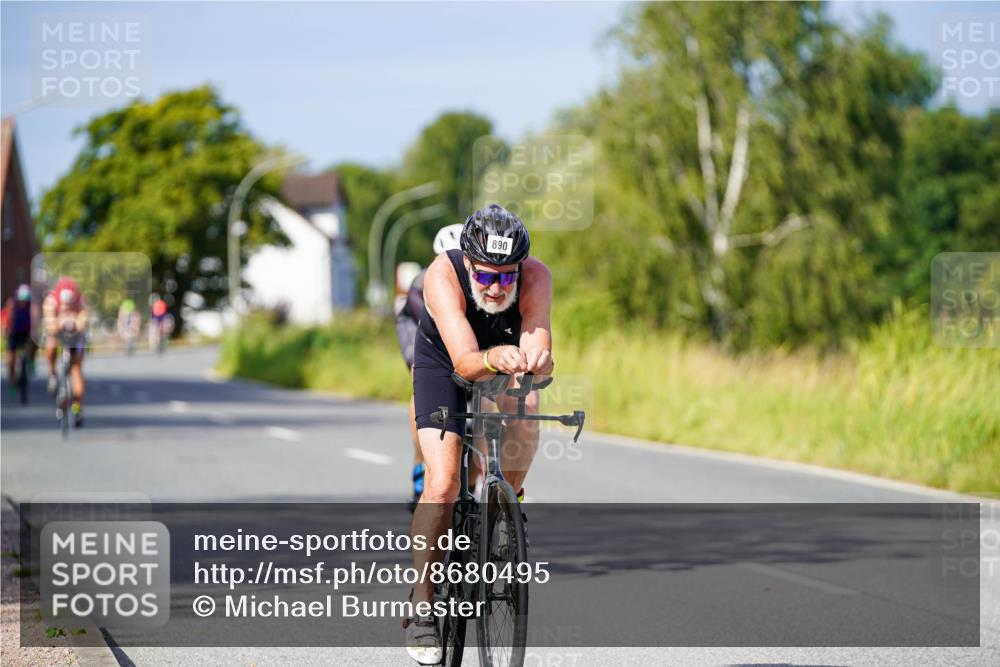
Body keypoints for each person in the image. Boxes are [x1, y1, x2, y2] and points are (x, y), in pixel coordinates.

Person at [405, 204, 553, 664]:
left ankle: (506, 503)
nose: (494, 287)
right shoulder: (441, 275)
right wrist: (497, 359)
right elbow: (467, 361)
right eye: (486, 276)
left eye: (506, 277)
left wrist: (538, 358)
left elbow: (538, 342)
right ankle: (424, 603)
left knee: (526, 404)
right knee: (445, 481)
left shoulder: (537, 277)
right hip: (446, 361)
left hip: (501, 354)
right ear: (468, 263)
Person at [395, 223, 464, 510]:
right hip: (420, 328)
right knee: (421, 376)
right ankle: (421, 460)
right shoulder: (424, 283)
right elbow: (439, 333)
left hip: (456, 329)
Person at [43, 277, 89, 427]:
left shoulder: (81, 300)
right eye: (65, 303)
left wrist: (77, 322)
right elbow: (49, 322)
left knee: (76, 370)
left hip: (75, 336)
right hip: (58, 332)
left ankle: (77, 408)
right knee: (50, 343)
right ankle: (53, 374)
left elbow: (84, 320)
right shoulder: (51, 300)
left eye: (70, 303)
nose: (67, 306)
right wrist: (58, 322)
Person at [4, 284, 36, 397]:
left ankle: (31, 361)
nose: (23, 303)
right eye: (21, 300)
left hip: (25, 333)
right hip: (13, 334)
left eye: (26, 300)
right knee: (11, 361)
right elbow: (6, 321)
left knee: (33, 343)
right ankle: (12, 385)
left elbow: (35, 321)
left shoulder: (31, 307)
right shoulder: (12, 305)